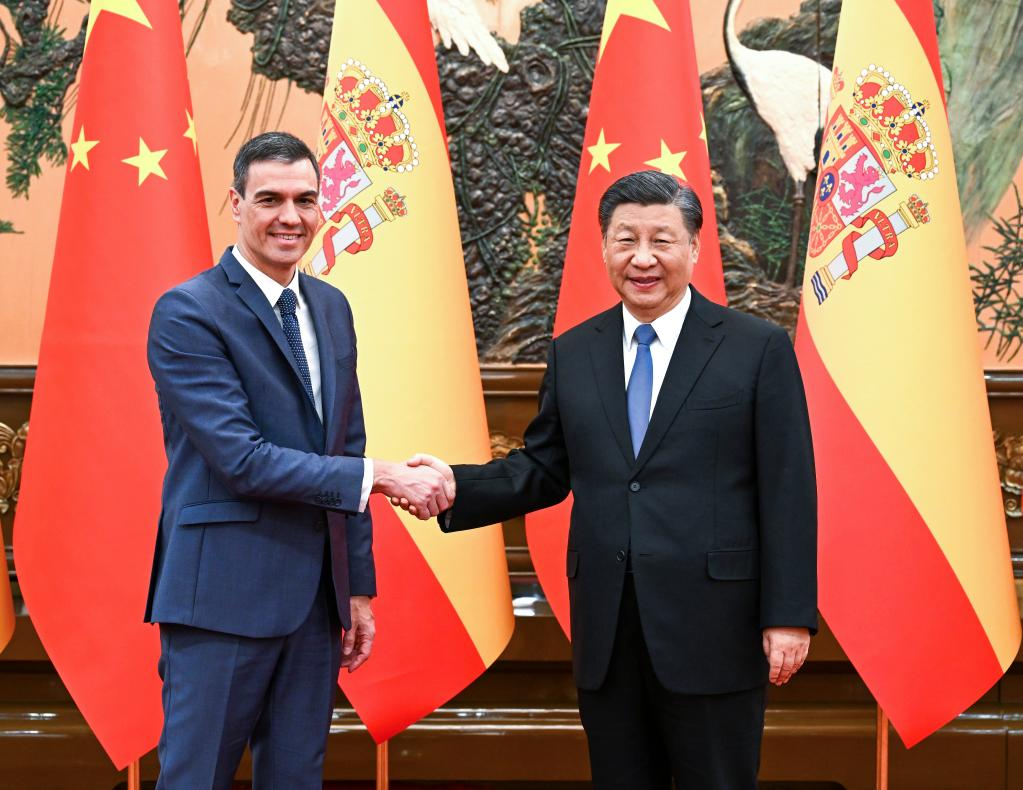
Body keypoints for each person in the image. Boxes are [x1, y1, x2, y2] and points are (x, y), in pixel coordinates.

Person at [405, 171, 817, 789]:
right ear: (603, 248)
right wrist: (454, 486)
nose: (642, 258)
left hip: (715, 629)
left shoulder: (755, 349)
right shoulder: (574, 352)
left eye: (661, 240)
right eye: (626, 240)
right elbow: (544, 469)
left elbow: (788, 489)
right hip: (609, 632)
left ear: (694, 247)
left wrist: (788, 615)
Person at [145, 131, 450, 789]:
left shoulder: (331, 307)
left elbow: (346, 445)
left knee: (297, 778)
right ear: (236, 203)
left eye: (305, 200)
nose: (291, 216)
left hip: (315, 604)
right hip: (220, 602)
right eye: (270, 199)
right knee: (195, 778)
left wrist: (356, 588)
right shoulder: (188, 312)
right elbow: (243, 460)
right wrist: (383, 478)